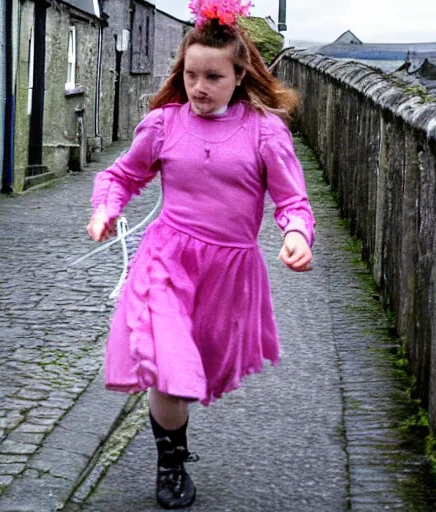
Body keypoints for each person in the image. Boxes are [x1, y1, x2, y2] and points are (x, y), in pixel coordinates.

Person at [87, 0, 315, 508]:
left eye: (213, 76)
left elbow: (293, 200)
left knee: (192, 378)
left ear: (240, 75)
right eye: (191, 74)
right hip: (165, 261)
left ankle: (174, 447)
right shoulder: (165, 124)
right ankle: (170, 466)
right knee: (169, 368)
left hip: (229, 272)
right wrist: (106, 208)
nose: (199, 87)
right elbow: (122, 175)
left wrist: (297, 234)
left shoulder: (265, 130)